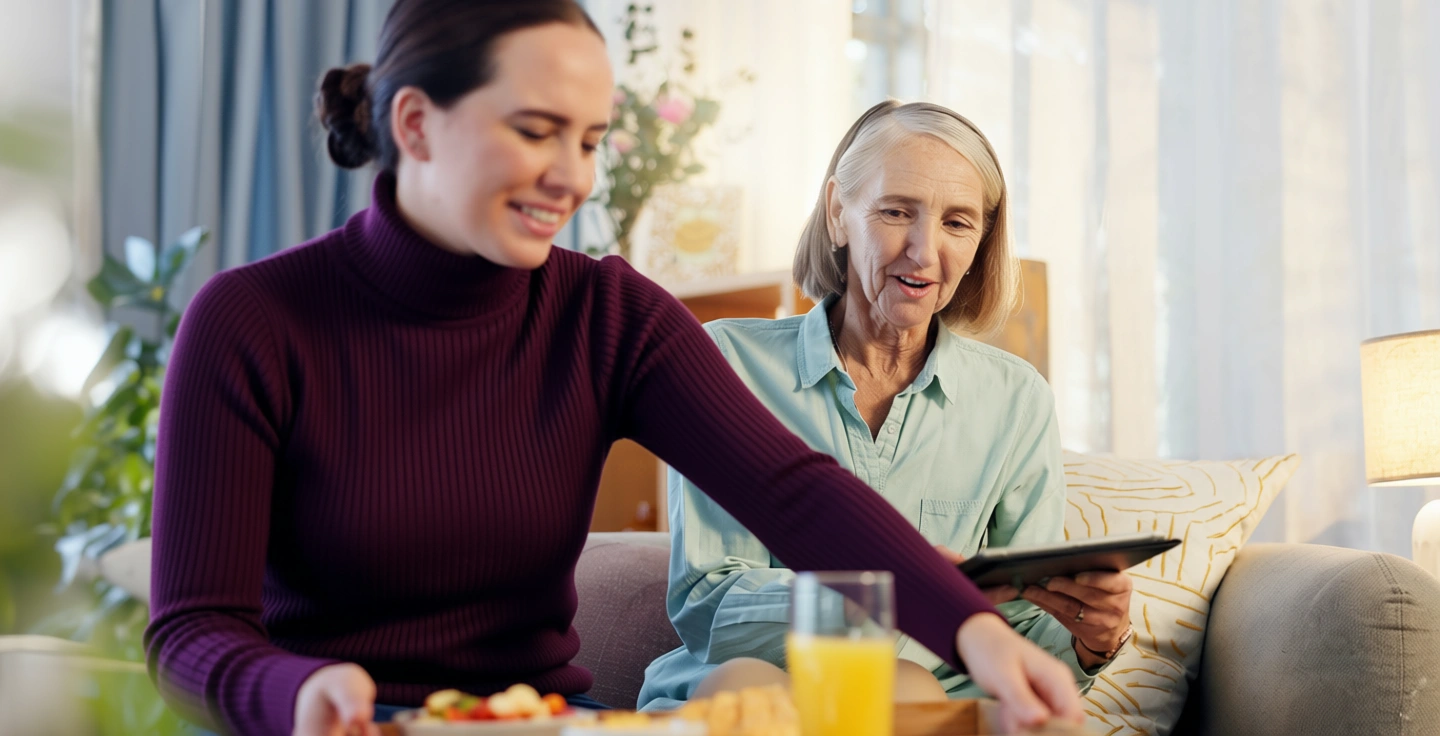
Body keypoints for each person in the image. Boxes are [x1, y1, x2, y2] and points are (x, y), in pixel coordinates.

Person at [144, 3, 1084, 734]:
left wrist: (975, 631)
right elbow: (190, 633)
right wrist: (296, 692)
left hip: (538, 721)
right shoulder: (252, 322)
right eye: (536, 130)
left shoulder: (608, 314)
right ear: (417, 125)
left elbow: (795, 492)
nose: (575, 176)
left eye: (590, 141)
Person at [639, 101, 1134, 711]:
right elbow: (709, 600)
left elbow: (1022, 629)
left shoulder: (1015, 399)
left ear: (982, 240)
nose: (924, 251)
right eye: (897, 212)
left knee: (910, 690)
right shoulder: (728, 360)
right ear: (838, 213)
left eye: (958, 222)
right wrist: (893, 593)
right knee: (757, 691)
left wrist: (1092, 642)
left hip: (920, 704)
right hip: (745, 689)